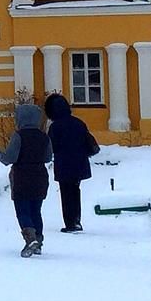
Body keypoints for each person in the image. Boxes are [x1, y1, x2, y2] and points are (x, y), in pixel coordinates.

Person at [0, 100, 51, 257]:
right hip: (40, 176)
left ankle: (30, 239)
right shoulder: (44, 137)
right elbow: (48, 157)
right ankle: (38, 241)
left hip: (22, 177)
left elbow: (10, 158)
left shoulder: (18, 136)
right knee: (36, 211)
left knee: (23, 210)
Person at [44, 92, 100, 233]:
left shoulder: (55, 127)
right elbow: (87, 142)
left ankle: (70, 222)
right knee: (75, 190)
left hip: (64, 164)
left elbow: (52, 147)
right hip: (79, 163)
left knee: (66, 193)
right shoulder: (78, 122)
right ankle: (76, 220)